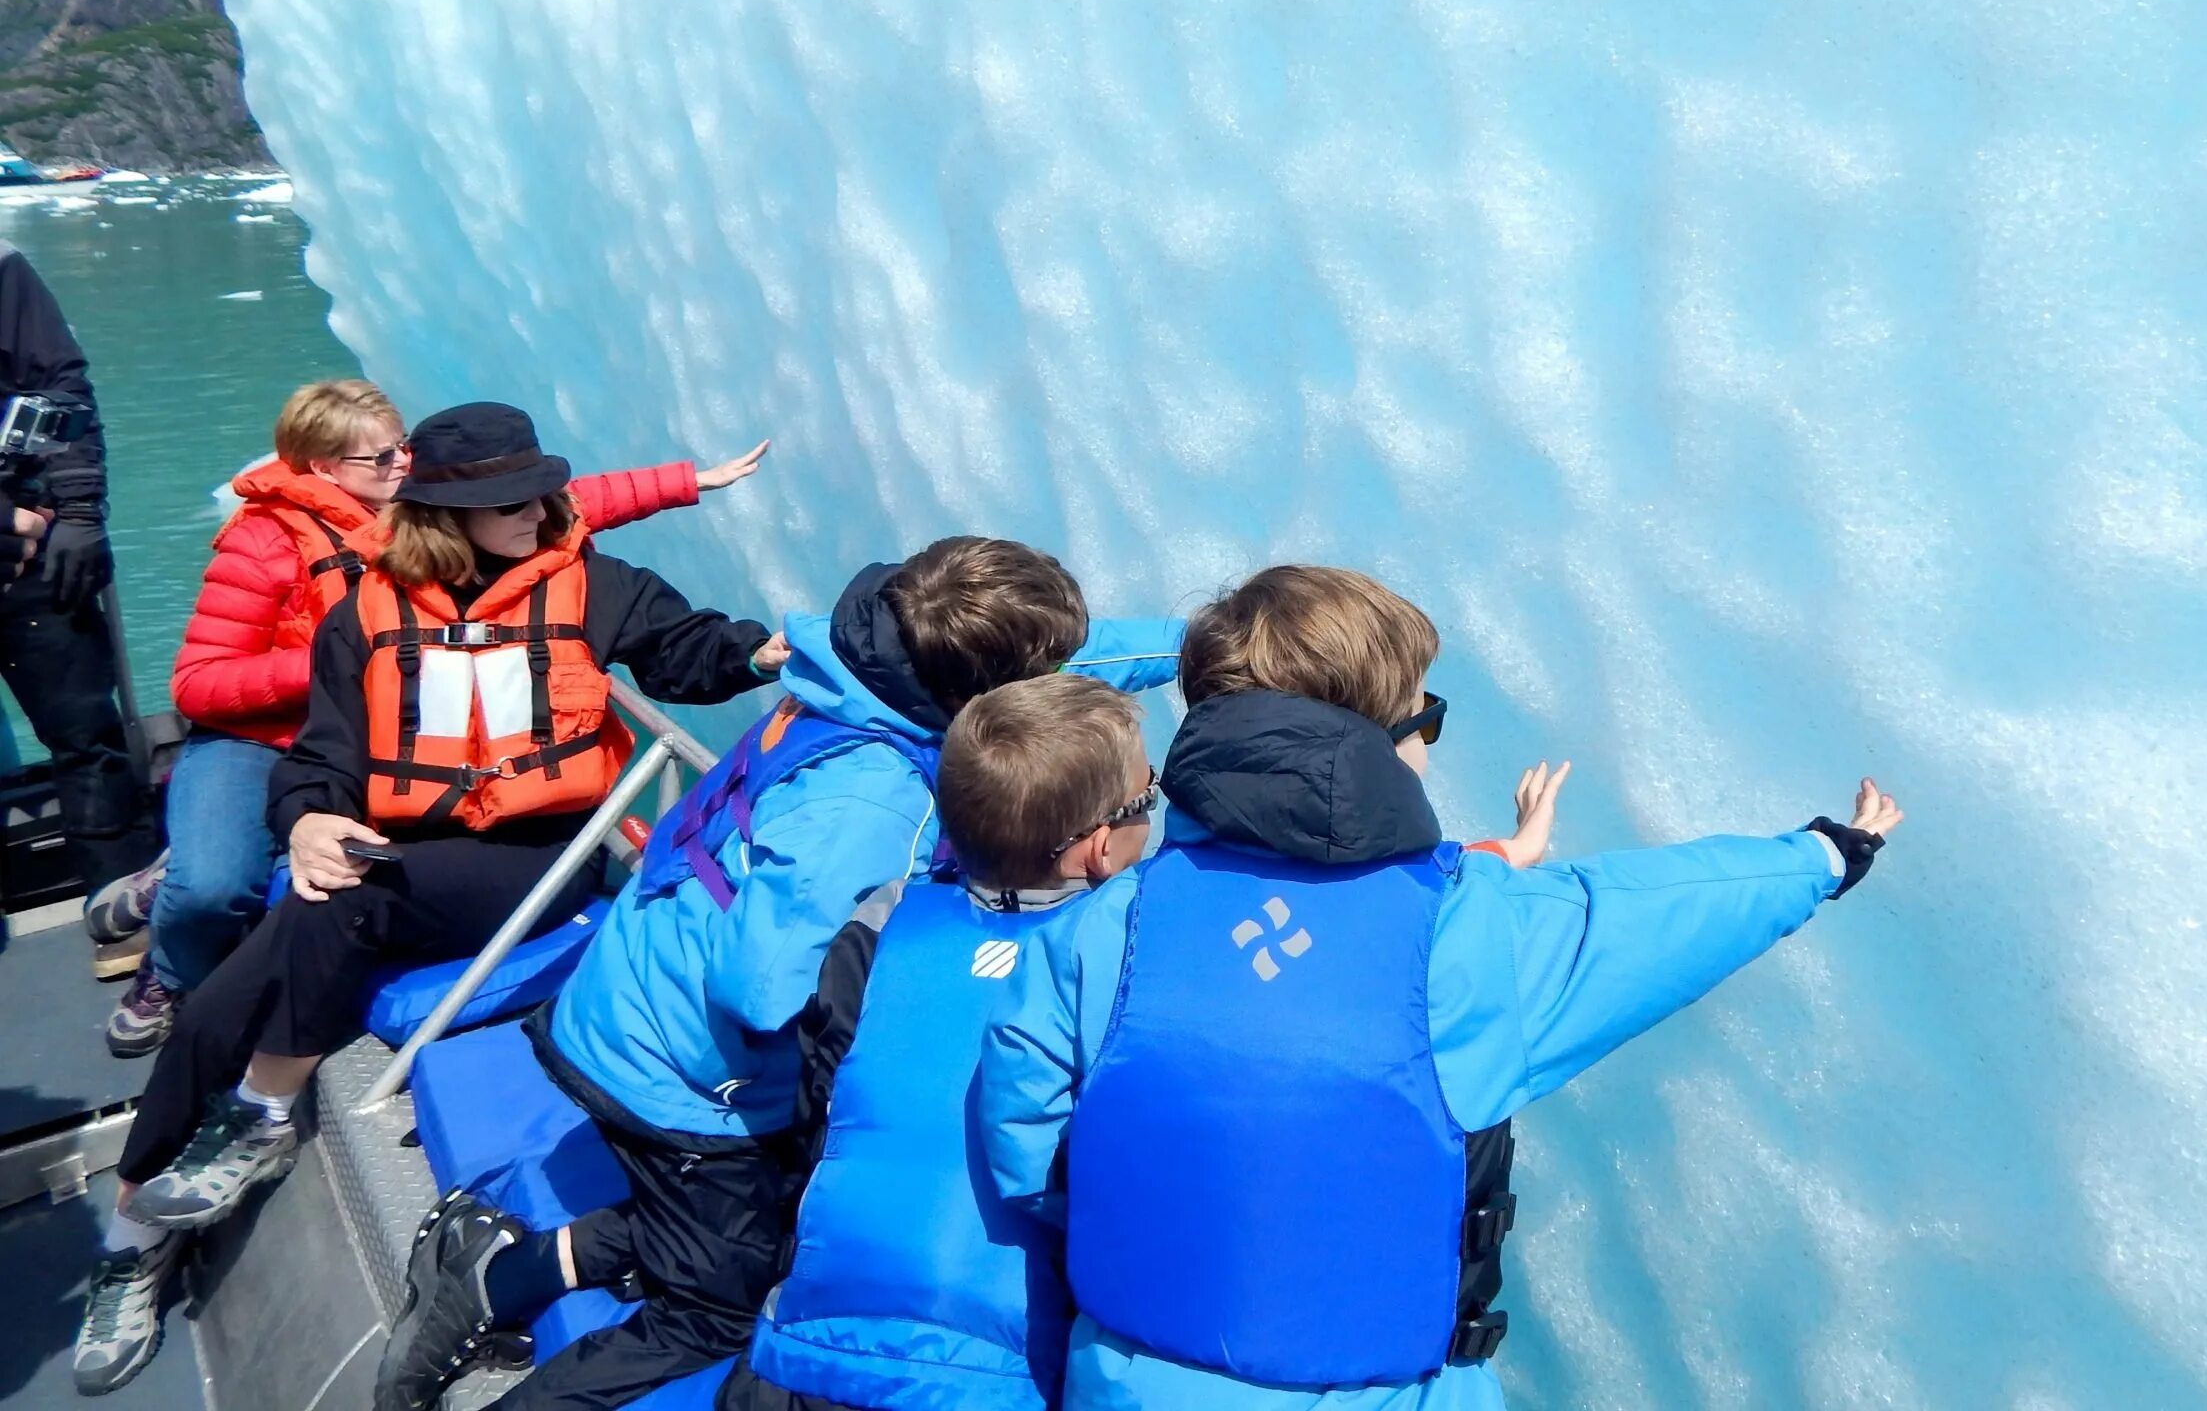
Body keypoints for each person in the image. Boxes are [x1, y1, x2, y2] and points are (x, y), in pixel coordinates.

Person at [979, 564, 1905, 1410]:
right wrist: (1827, 853)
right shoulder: (1470, 932)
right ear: (1386, 740)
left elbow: (1024, 1148)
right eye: (1429, 720)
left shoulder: (1109, 922)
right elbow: (1654, 915)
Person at [373, 536, 1185, 1411]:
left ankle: (524, 1264)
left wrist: (1218, 650)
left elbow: (1059, 668)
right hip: (678, 1072)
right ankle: (490, 1291)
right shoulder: (880, 802)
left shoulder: (872, 659)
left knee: (737, 1226)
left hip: (637, 977)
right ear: (978, 694)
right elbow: (762, 989)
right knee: (715, 1305)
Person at [74, 402, 786, 1399]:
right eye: (512, 503)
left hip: (537, 863)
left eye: (542, 494)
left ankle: (257, 1123)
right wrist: (311, 820)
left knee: (336, 910)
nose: (541, 513)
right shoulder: (366, 613)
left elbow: (688, 649)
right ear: (448, 515)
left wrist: (759, 654)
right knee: (216, 1009)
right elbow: (323, 757)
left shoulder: (590, 583)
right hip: (406, 857)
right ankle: (135, 1232)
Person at [106, 375, 766, 1057]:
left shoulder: (436, 517)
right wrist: (363, 655)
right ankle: (170, 973)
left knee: (345, 859)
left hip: (379, 733)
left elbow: (568, 504)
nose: (401, 465)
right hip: (266, 737)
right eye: (381, 459)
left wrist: (692, 479)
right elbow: (197, 684)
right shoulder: (264, 543)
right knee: (214, 885)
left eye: (403, 449)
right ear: (325, 468)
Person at [718, 672, 1158, 1411]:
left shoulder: (883, 920)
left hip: (796, 1351)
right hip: (993, 1378)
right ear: (1103, 849)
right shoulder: (1130, 959)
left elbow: (824, 1101)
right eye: (1153, 791)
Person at [0, 240, 155, 972]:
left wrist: (80, 512)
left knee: (85, 734)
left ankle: (117, 912)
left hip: (29, 553)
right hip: (17, 529)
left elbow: (59, 387)